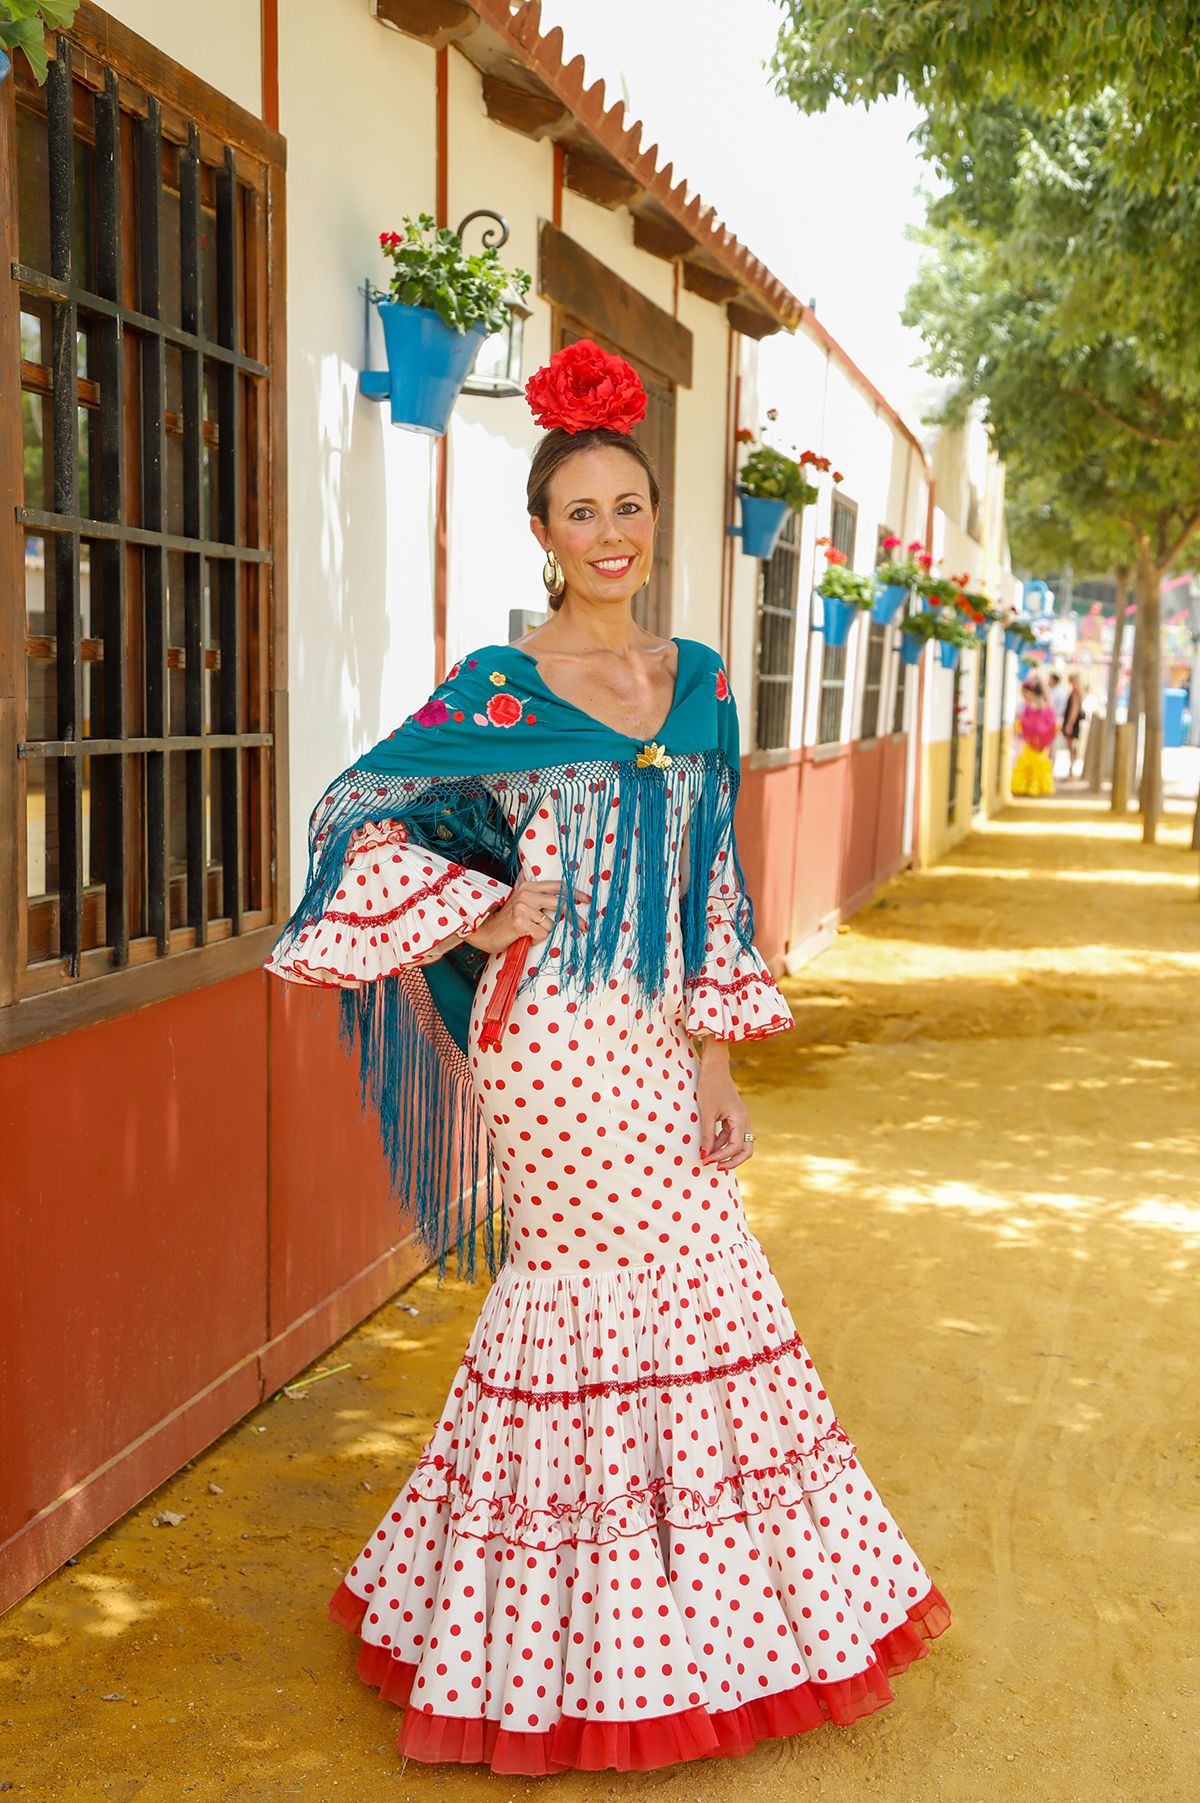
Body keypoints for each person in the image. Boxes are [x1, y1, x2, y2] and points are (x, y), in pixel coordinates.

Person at [264, 341, 951, 1776]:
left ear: (657, 516)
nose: (611, 532)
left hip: (652, 1031)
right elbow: (358, 810)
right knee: (587, 1300)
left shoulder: (698, 682)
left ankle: (690, 1623)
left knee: (704, 1270)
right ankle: (569, 1639)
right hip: (551, 1039)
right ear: (542, 534)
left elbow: (710, 877)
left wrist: (711, 1055)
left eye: (629, 505)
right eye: (580, 511)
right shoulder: (501, 686)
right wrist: (482, 906)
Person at [1012, 673, 1058, 795]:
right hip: (1042, 742)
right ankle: (1037, 786)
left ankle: (1026, 786)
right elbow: (1052, 723)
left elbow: (1022, 722)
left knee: (1027, 762)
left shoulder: (1028, 707)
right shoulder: (1046, 706)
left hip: (1028, 741)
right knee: (1039, 764)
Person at [1062, 672, 1085, 777]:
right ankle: (1071, 766)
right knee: (1071, 746)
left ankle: (1071, 767)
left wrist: (1069, 724)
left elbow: (1074, 710)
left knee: (1071, 746)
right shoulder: (1077, 691)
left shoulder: (1075, 692)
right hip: (1072, 722)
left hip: (1071, 722)